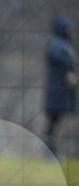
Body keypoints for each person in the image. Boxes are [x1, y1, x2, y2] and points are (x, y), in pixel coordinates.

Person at [44, 16, 77, 157]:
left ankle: (52, 152)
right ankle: (51, 152)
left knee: (55, 124)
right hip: (58, 92)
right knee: (54, 124)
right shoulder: (57, 45)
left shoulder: (62, 44)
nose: (72, 32)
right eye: (69, 29)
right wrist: (74, 68)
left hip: (62, 92)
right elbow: (63, 62)